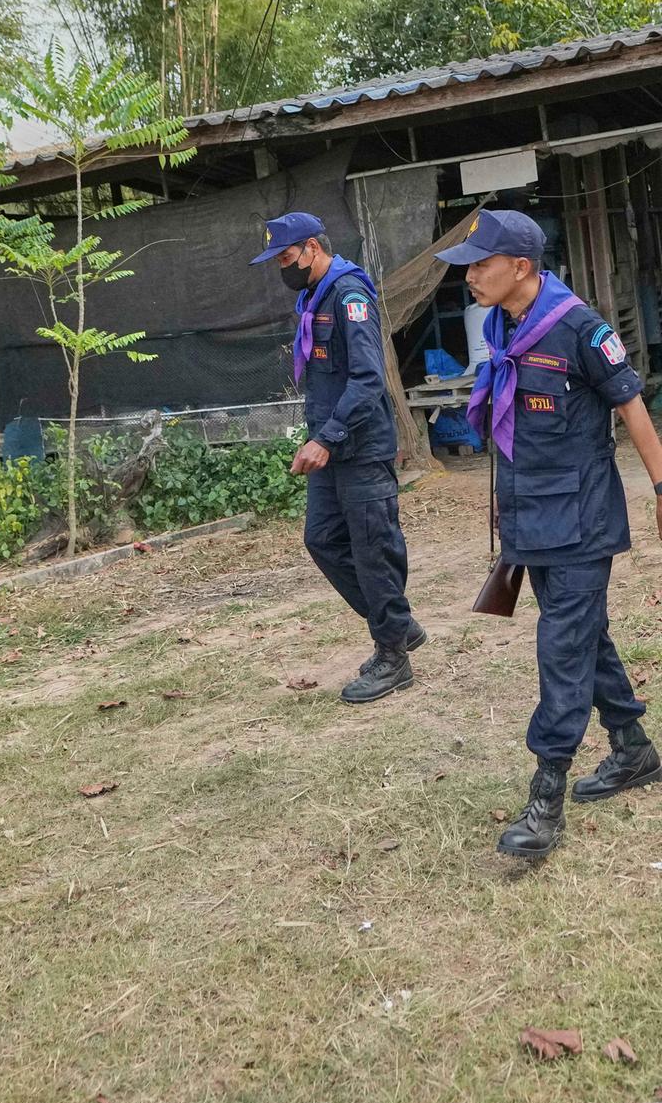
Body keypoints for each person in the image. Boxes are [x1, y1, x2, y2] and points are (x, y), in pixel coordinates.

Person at [435, 210, 662, 859]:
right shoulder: (508, 323)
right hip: (531, 516)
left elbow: (630, 404)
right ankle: (632, 749)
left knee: (561, 649)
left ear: (522, 269)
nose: (471, 276)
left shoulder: (578, 329)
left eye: (481, 264)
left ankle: (546, 797)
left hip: (581, 522)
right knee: (584, 636)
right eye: (470, 265)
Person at [253, 212, 425, 703]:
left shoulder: (349, 295)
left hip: (359, 444)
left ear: (311, 247)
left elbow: (370, 379)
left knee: (374, 549)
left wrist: (326, 438)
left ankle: (393, 655)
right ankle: (397, 625)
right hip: (331, 444)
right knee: (322, 539)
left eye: (286, 257)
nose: (281, 268)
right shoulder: (313, 295)